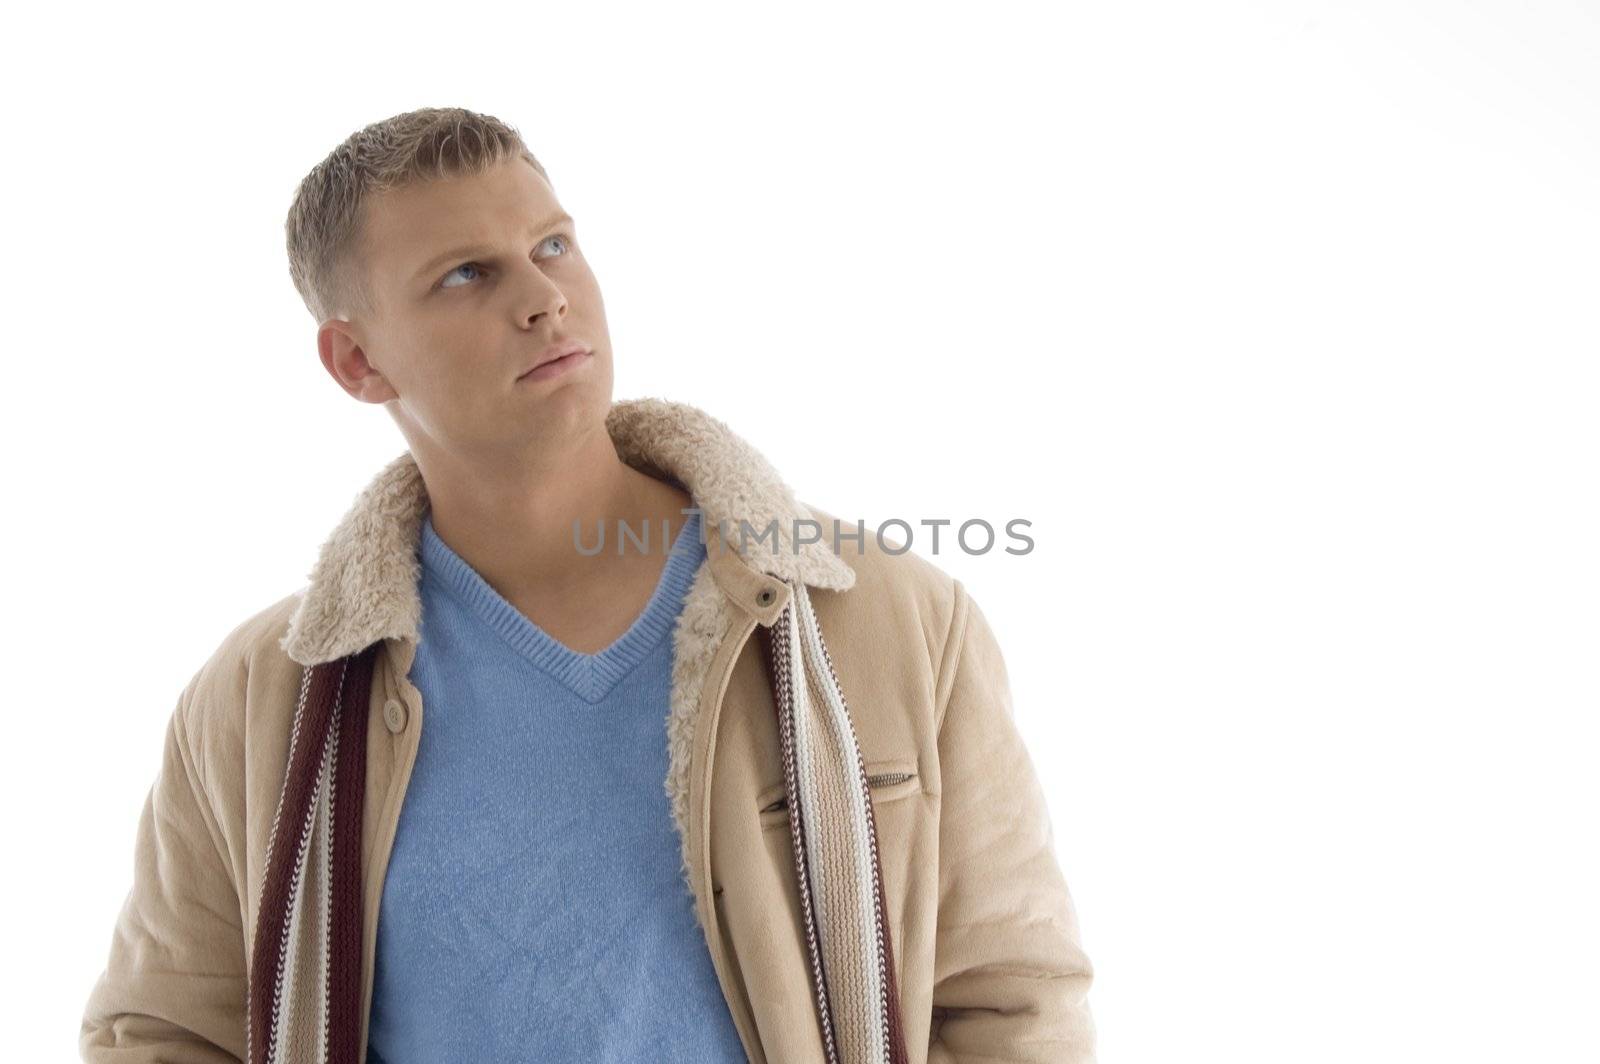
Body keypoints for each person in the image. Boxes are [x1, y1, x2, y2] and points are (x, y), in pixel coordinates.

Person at [79, 106, 1096, 1064]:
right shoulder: (266, 697)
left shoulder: (882, 617)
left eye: (553, 245)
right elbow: (164, 1025)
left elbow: (1013, 998)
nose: (543, 297)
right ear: (357, 361)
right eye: (467, 274)